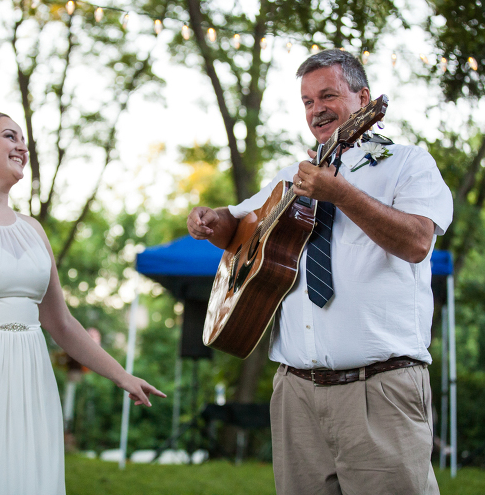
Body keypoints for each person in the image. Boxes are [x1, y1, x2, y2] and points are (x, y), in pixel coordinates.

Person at [187, 50, 452, 494]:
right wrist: (209, 221)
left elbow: (417, 242)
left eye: (328, 95)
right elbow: (235, 227)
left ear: (363, 97)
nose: (316, 110)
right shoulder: (288, 177)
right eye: (307, 102)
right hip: (295, 395)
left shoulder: (408, 163)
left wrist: (341, 194)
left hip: (380, 389)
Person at [0, 112, 165, 494]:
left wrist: (121, 376)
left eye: (23, 139)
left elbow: (61, 322)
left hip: (30, 378)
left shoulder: (32, 230)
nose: (22, 147)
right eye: (10, 136)